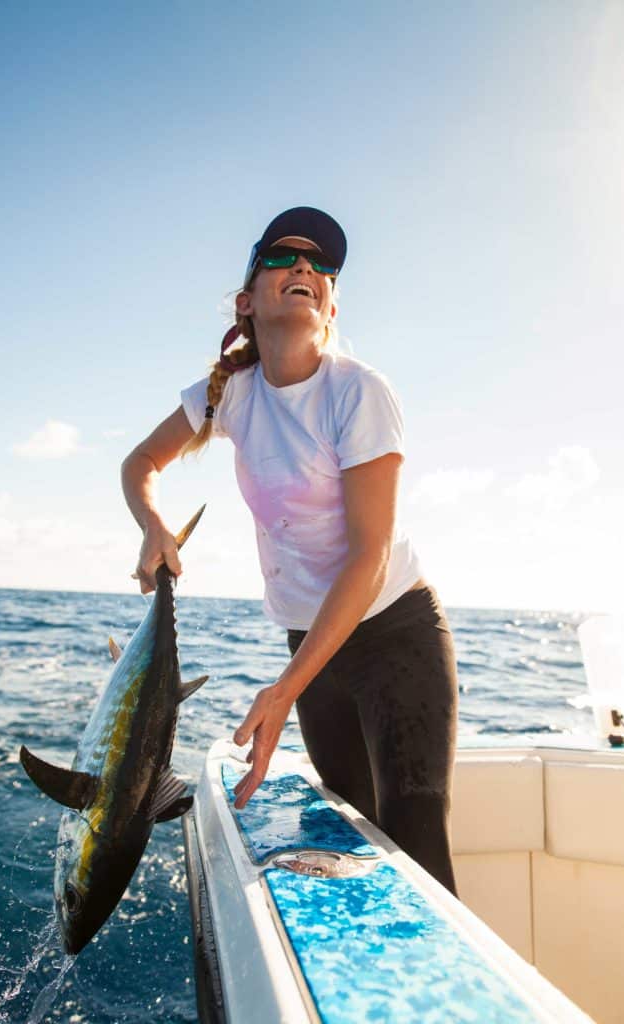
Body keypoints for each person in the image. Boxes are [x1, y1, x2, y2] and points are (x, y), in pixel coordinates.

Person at [121, 207, 459, 894]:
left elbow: (368, 556)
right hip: (308, 639)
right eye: (283, 256)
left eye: (320, 264)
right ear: (247, 301)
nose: (304, 267)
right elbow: (139, 463)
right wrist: (153, 527)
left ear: (329, 301)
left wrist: (285, 689)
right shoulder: (229, 395)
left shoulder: (358, 391)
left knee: (413, 832)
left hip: (393, 632)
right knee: (350, 826)